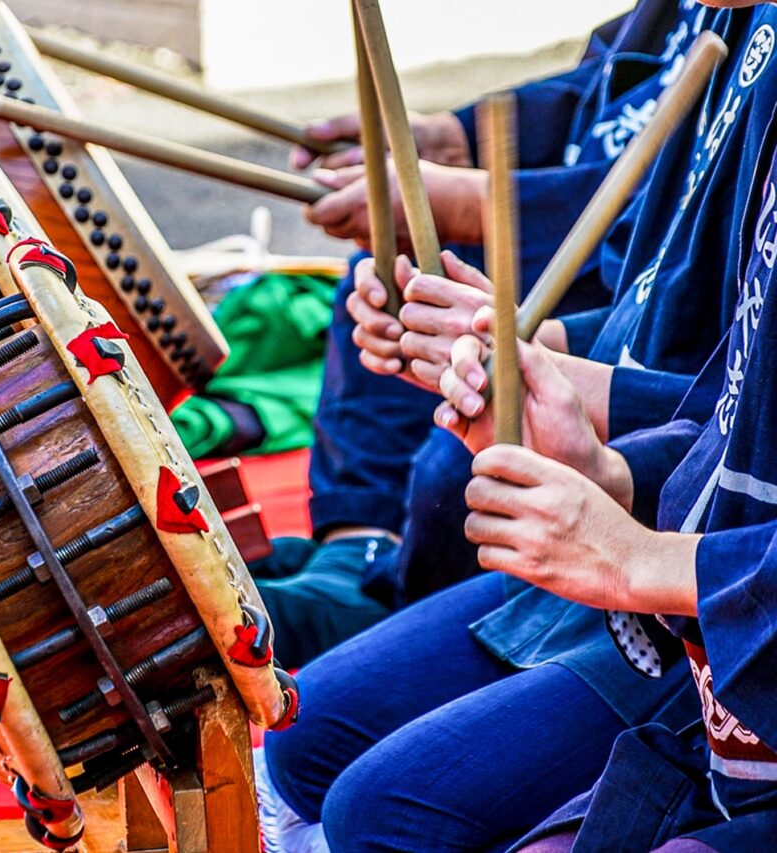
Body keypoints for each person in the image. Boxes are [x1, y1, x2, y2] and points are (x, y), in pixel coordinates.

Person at [259, 4, 777, 850]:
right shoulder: (742, 30)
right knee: (311, 744)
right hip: (693, 605)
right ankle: (351, 553)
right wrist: (573, 411)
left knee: (383, 811)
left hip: (722, 637)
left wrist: (640, 554)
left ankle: (365, 577)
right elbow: (732, 385)